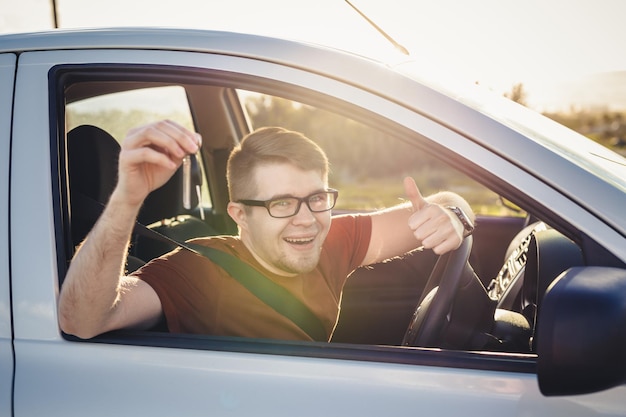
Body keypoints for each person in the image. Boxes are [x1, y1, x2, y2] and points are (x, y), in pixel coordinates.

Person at [58, 120, 475, 342]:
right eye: (281, 204)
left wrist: (454, 214)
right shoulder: (197, 270)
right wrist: (127, 201)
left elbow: (442, 203)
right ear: (240, 215)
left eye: (316, 197)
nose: (306, 219)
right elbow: (82, 320)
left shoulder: (330, 241)